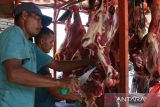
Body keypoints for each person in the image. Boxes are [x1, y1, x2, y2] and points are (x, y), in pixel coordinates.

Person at [0, 2, 93, 107]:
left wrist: (87, 61)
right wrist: (59, 82)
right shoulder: (14, 33)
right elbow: (14, 73)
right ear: (25, 15)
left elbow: (57, 65)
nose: (40, 25)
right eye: (38, 20)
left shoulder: (31, 47)